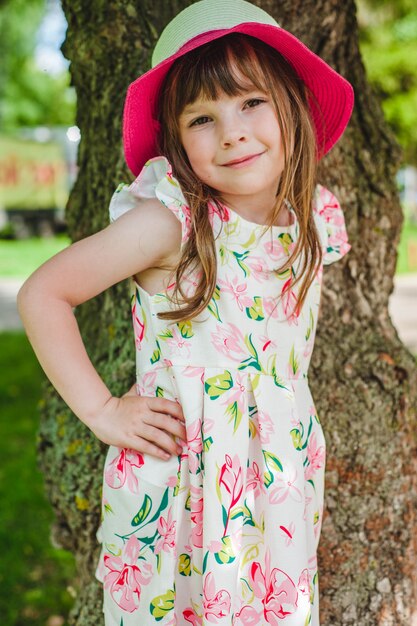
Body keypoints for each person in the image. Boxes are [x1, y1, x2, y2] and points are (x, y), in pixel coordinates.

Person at [18, 0, 354, 624]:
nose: (232, 131)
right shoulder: (170, 221)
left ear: (293, 106)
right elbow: (44, 293)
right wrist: (102, 410)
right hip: (181, 485)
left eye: (251, 102)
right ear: (176, 139)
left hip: (276, 484)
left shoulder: (314, 219)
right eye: (203, 117)